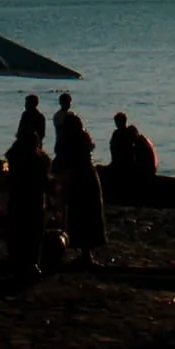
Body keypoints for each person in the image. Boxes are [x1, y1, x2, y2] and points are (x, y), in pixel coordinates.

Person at [54, 111, 106, 267]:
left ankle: (84, 254)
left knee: (79, 216)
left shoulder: (71, 141)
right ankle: (86, 253)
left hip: (79, 180)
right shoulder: (83, 139)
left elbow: (63, 162)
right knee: (89, 216)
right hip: (89, 178)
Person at [5, 128, 51, 278]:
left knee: (17, 232)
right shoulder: (40, 160)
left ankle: (17, 262)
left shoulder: (14, 156)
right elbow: (45, 182)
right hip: (34, 201)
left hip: (17, 199)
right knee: (34, 234)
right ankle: (32, 263)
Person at [108, 112, 135, 181]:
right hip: (118, 162)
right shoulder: (117, 133)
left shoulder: (127, 133)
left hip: (124, 163)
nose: (116, 124)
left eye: (117, 122)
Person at [52, 92, 78, 158]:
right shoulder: (58, 115)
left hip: (71, 144)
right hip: (61, 143)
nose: (68, 104)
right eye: (66, 102)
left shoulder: (72, 114)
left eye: (69, 102)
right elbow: (62, 128)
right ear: (61, 103)